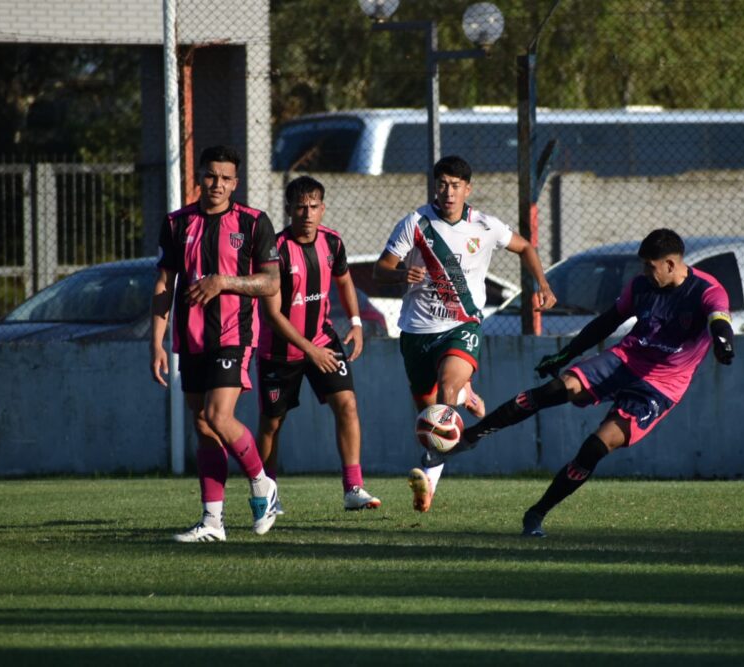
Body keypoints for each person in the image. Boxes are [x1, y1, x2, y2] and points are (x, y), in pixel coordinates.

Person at [443, 229, 735, 535]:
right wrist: (566, 354)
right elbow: (607, 322)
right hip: (625, 360)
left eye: (650, 266)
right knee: (554, 389)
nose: (644, 273)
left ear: (671, 265)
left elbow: (719, 320)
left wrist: (724, 344)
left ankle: (536, 514)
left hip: (661, 386)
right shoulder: (641, 286)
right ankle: (471, 436)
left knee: (595, 448)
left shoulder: (706, 290)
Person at [373, 155, 557, 512]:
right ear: (435, 187)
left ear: (467, 189)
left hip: (462, 326)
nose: (448, 191)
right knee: (429, 420)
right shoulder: (415, 223)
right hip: (416, 332)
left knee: (445, 393)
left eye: (456, 185)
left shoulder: (485, 226)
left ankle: (429, 477)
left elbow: (525, 246)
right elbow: (381, 269)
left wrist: (544, 285)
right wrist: (399, 275)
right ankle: (465, 399)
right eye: (442, 184)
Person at [150, 144, 281, 543]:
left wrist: (223, 282)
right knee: (204, 426)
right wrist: (156, 342)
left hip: (233, 336)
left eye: (225, 178)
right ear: (199, 178)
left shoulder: (254, 222)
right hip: (190, 340)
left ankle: (263, 484)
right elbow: (163, 283)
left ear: (235, 183)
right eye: (210, 176)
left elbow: (271, 282)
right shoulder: (176, 224)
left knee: (218, 416)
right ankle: (212, 522)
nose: (217, 184)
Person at [256, 176, 381, 512]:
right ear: (289, 210)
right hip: (280, 351)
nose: (307, 214)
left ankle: (353, 488)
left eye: (313, 207)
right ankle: (268, 494)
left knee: (348, 405)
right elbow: (271, 315)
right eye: (300, 207)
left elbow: (344, 281)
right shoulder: (275, 251)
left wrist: (355, 323)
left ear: (323, 208)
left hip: (324, 340)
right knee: (272, 423)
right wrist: (309, 350)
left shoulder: (333, 243)